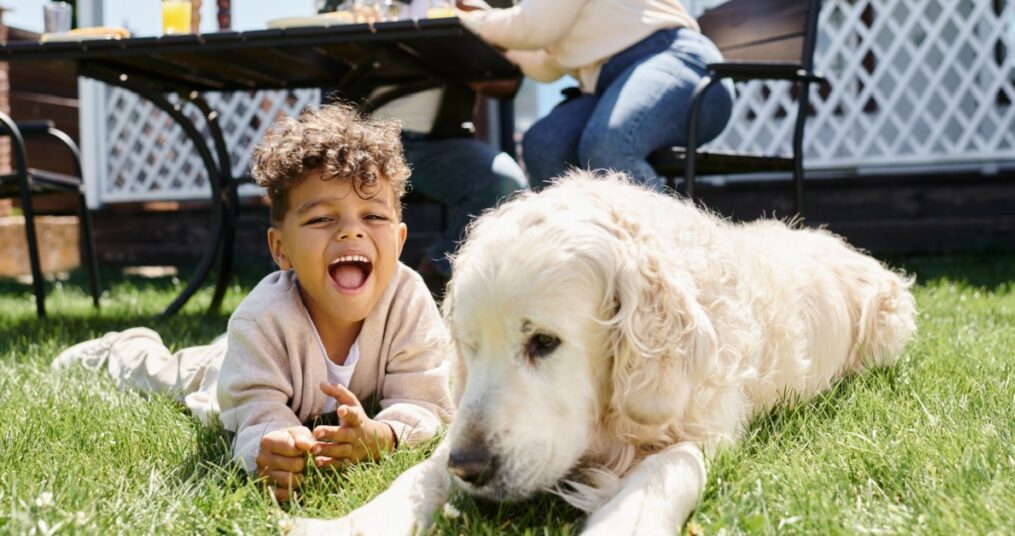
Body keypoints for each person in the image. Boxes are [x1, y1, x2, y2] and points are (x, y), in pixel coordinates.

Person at [51, 104, 454, 502]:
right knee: (169, 372)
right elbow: (254, 412)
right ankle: (123, 348)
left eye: (373, 217)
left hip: (256, 355)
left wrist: (383, 436)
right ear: (281, 249)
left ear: (399, 240)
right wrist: (274, 441)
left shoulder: (407, 300)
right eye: (321, 219)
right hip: (224, 369)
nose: (352, 232)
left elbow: (424, 400)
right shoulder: (263, 319)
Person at [319, 0, 529, 296]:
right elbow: (323, 37)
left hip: (436, 146)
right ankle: (318, 285)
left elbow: (508, 81)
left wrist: (471, 46)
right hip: (362, 139)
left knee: (506, 182)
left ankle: (433, 275)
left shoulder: (463, 7)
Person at [459, 0, 735, 190]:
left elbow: (531, 28)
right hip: (609, 82)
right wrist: (487, 44)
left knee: (609, 145)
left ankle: (665, 262)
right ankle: (581, 263)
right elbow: (545, 64)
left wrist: (473, 21)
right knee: (543, 145)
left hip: (679, 62)